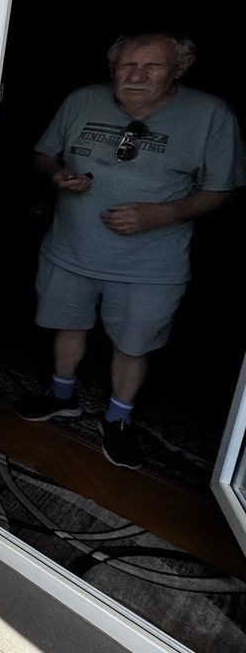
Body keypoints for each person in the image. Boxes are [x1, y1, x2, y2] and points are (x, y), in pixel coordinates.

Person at [15, 30, 245, 469]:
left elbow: (224, 189)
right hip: (70, 250)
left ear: (180, 68)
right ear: (113, 68)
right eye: (127, 66)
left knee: (133, 345)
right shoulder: (82, 100)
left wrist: (164, 213)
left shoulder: (211, 115)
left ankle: (118, 419)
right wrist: (57, 174)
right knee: (68, 327)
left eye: (152, 66)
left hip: (150, 265)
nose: (136, 76)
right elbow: (44, 154)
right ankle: (62, 395)